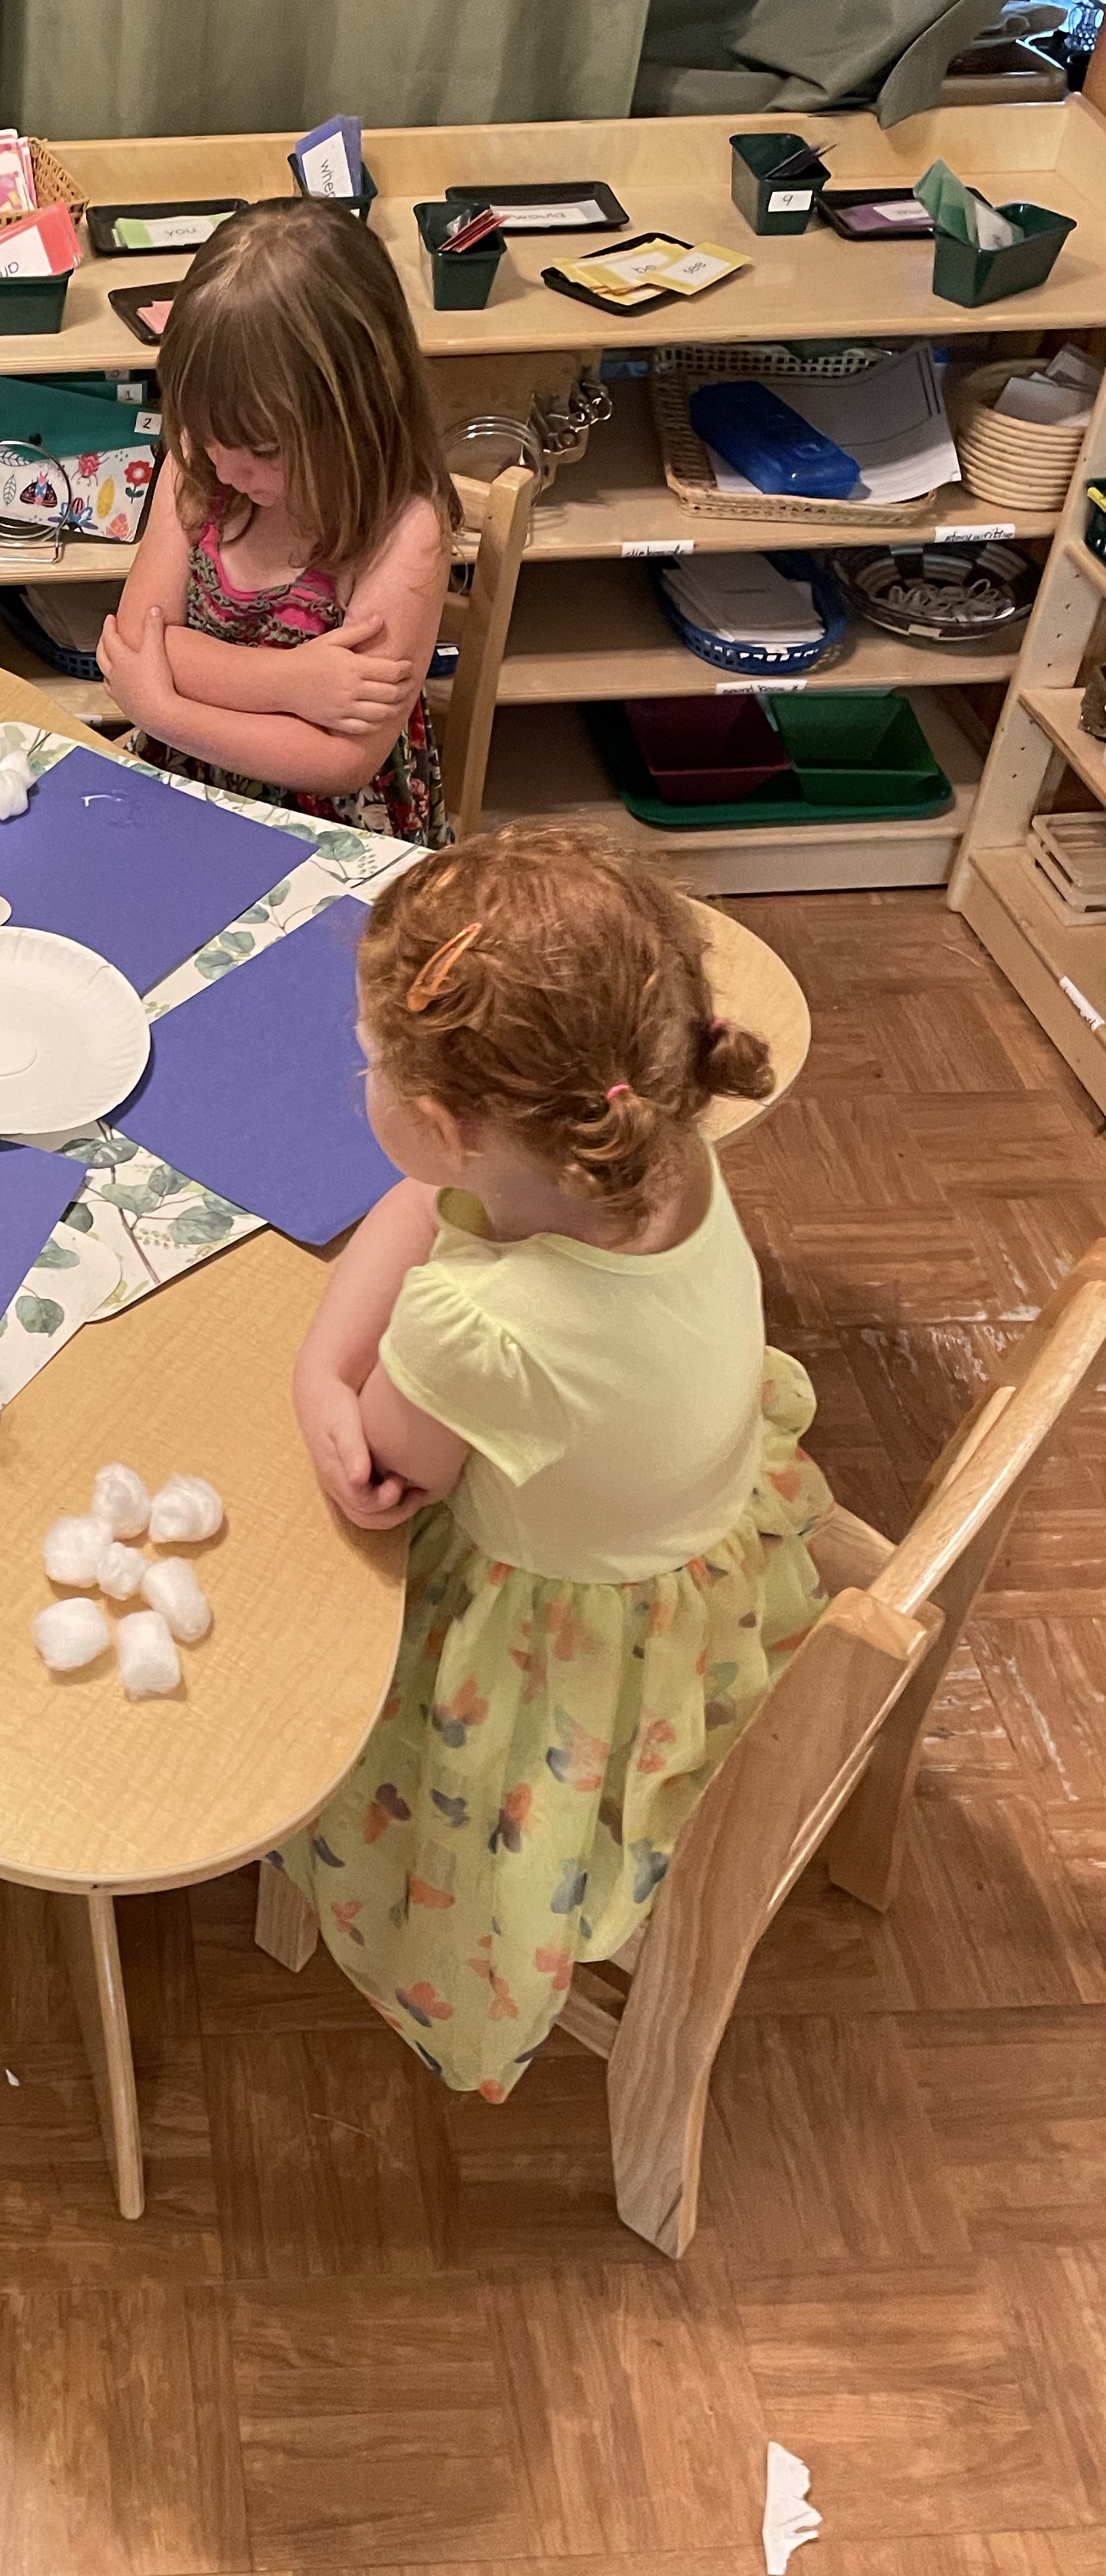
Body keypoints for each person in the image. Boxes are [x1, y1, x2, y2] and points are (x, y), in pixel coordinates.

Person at [279, 825, 832, 2096]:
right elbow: (433, 1203)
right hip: (701, 1579)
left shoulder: (479, 1326)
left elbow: (385, 1476)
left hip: (560, 1669)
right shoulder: (653, 1150)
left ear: (442, 1124)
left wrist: (320, 1373)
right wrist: (354, 1335)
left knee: (289, 1639)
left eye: (369, 1062)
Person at [94, 199, 456, 841]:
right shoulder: (199, 468)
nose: (227, 470)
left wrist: (162, 706)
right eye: (208, 437)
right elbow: (133, 644)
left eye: (263, 450)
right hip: (188, 789)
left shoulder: (406, 532)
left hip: (331, 832)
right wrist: (294, 683)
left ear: (359, 413)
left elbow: (342, 761)